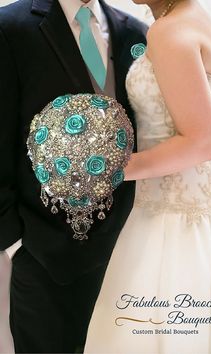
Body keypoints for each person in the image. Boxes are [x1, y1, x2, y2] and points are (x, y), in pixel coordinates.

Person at [84, 0, 211, 353]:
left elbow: (201, 142)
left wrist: (112, 170)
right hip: (182, 212)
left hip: (173, 226)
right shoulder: (186, 17)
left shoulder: (170, 30)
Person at [0, 0, 147, 352]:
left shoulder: (135, 31)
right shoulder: (9, 27)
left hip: (128, 251)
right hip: (45, 253)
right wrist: (17, 242)